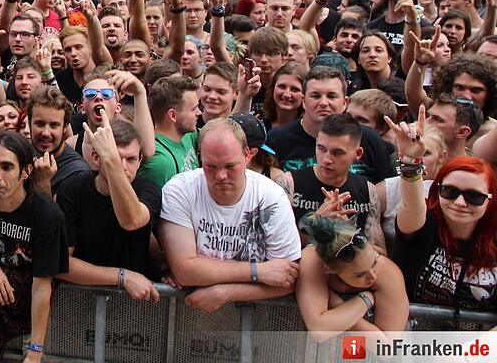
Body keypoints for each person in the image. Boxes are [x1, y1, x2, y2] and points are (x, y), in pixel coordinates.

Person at [159, 118, 302, 312]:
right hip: (190, 312)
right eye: (211, 166)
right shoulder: (180, 189)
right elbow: (185, 271)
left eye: (229, 166)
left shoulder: (272, 197)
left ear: (247, 155)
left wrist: (225, 292)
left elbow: (287, 278)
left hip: (253, 320)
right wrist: (258, 271)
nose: (220, 176)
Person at [0, 131, 68, 363]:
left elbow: (43, 285)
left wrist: (35, 351)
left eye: (6, 167)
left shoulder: (47, 215)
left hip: (24, 302)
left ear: (26, 172)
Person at [391, 107, 497, 312]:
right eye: (449, 191)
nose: (460, 202)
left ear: (490, 200)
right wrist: (411, 162)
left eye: (474, 196)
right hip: (415, 340)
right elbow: (411, 205)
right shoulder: (424, 224)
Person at [56, 119, 161, 301]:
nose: (123, 167)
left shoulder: (148, 189)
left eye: (131, 159)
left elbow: (133, 220)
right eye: (115, 158)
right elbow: (61, 263)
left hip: (134, 307)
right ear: (96, 158)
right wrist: (122, 277)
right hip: (80, 303)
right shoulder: (72, 189)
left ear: (140, 161)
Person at [265, 67, 395, 184]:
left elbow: (385, 192)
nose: (323, 103)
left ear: (345, 102)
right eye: (315, 96)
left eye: (331, 96)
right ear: (304, 101)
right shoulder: (277, 139)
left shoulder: (369, 139)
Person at [276, 113, 385, 251]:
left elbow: (381, 254)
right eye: (321, 149)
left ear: (357, 154)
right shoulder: (289, 183)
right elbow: (277, 247)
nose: (326, 159)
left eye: (337, 152)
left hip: (349, 269)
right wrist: (314, 223)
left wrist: (348, 233)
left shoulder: (367, 189)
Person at [295, 214, 409, 341]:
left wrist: (336, 304)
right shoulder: (313, 261)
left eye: (373, 263)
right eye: (360, 274)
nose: (373, 276)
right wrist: (364, 301)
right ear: (329, 269)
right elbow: (319, 331)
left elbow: (387, 348)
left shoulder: (387, 272)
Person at [139, 76, 201, 187]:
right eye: (193, 109)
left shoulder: (188, 135)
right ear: (173, 115)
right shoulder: (159, 164)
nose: (199, 113)